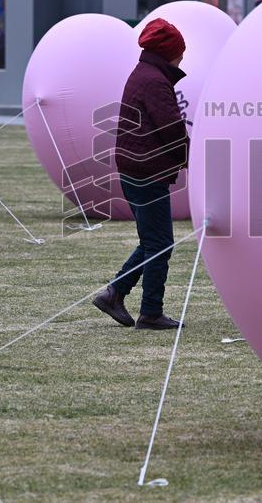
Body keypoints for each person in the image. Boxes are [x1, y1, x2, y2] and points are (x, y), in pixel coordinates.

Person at [92, 18, 190, 330]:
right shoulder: (155, 81)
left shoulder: (144, 74)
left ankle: (115, 294)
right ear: (168, 52)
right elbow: (171, 129)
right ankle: (150, 311)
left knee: (153, 241)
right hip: (147, 172)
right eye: (180, 51)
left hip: (136, 168)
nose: (183, 57)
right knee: (160, 243)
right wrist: (195, 158)